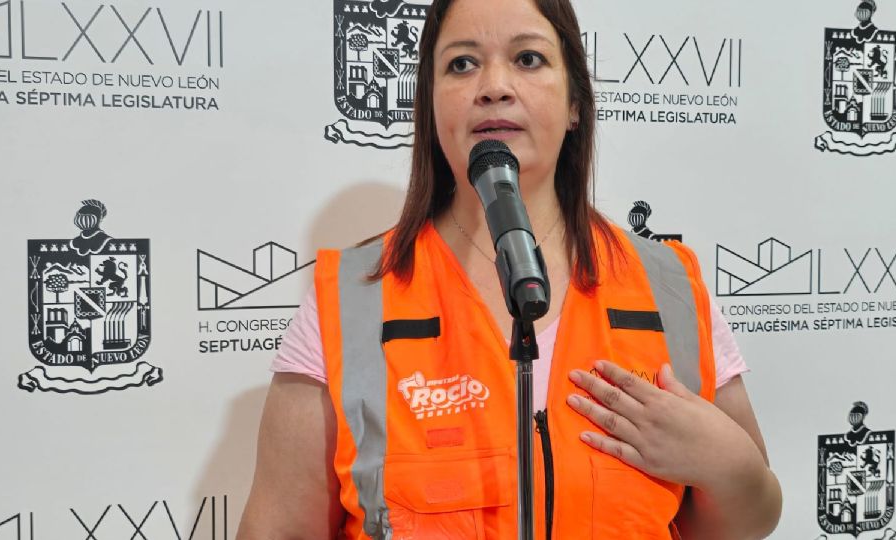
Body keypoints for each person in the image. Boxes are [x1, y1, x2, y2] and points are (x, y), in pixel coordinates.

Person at [238, 0, 782, 538]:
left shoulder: (669, 287)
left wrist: (726, 464)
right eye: (462, 63)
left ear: (575, 104)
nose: (493, 86)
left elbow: (747, 521)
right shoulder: (354, 300)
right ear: (430, 107)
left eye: (528, 59)